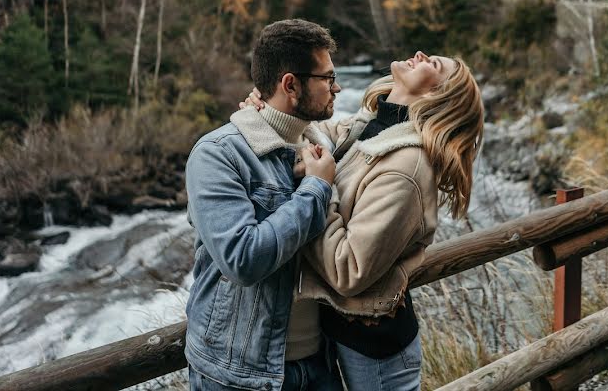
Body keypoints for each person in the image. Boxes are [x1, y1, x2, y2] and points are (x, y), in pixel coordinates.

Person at [245, 50, 484, 391]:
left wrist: (319, 188)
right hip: (341, 332)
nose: (420, 54)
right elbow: (309, 137)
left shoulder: (407, 168)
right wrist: (269, 113)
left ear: (438, 94)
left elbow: (348, 270)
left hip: (376, 351)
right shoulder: (374, 122)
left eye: (434, 64)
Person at [185, 19, 345, 391]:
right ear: (291, 84)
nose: (336, 87)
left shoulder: (318, 143)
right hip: (240, 374)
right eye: (327, 77)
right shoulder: (218, 154)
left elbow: (370, 120)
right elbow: (243, 258)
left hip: (321, 363)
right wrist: (315, 188)